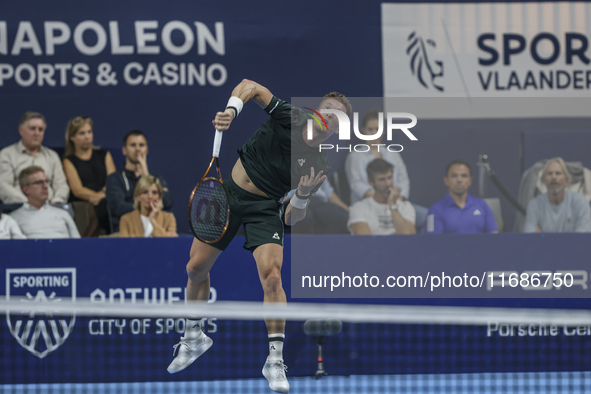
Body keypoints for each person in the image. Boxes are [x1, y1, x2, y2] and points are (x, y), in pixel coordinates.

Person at [166, 79, 351, 394]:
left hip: (266, 209)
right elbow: (250, 86)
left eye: (337, 117)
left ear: (335, 129)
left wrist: (303, 195)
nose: (329, 116)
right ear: (317, 111)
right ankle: (194, 335)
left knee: (273, 277)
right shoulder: (291, 116)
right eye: (328, 109)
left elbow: (292, 216)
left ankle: (274, 360)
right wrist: (231, 111)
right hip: (230, 196)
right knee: (195, 269)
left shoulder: (318, 163)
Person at [344, 109, 428, 232]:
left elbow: (403, 180)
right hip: (370, 205)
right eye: (370, 129)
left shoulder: (393, 154)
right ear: (363, 131)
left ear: (383, 131)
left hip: (396, 202)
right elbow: (356, 185)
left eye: (377, 129)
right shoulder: (356, 156)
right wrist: (380, 198)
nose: (374, 133)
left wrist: (396, 199)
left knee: (428, 217)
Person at [106, 130, 173, 233]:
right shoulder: (115, 178)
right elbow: (118, 207)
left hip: (155, 229)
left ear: (147, 149)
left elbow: (168, 202)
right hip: (126, 231)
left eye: (141, 145)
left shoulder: (155, 177)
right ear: (124, 150)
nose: (138, 149)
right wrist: (147, 206)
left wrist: (146, 176)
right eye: (133, 145)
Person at [0, 112, 69, 205]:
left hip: (51, 207)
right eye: (32, 129)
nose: (37, 133)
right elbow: (3, 186)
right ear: (21, 130)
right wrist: (28, 204)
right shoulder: (7, 154)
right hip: (19, 209)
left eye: (40, 130)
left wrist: (57, 202)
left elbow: (61, 185)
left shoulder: (52, 156)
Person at [63, 116, 116, 236]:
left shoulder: (104, 155)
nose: (87, 137)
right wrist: (95, 197)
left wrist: (101, 195)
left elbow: (113, 182)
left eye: (89, 132)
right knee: (99, 207)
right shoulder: (69, 161)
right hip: (84, 201)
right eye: (82, 133)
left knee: (107, 204)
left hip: (104, 197)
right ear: (72, 138)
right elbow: (77, 190)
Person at [426, 159, 498, 234]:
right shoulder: (435, 210)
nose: (459, 180)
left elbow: (494, 237)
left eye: (464, 176)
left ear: (470, 180)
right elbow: (433, 242)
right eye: (454, 176)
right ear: (446, 180)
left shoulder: (483, 206)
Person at [348, 158, 416, 235]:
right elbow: (364, 242)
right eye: (382, 179)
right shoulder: (358, 208)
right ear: (371, 182)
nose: (388, 183)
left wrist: (392, 205)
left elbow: (408, 238)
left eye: (390, 178)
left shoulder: (406, 207)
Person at [9, 166, 80, 239]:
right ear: (26, 190)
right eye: (39, 182)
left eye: (46, 181)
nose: (45, 186)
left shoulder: (63, 214)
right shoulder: (13, 218)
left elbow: (78, 244)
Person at [524, 157, 591, 233]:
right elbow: (530, 238)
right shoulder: (534, 205)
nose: (554, 177)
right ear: (543, 180)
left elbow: (583, 238)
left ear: (567, 180)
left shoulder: (580, 202)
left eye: (558, 173)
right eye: (549, 173)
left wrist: (541, 237)